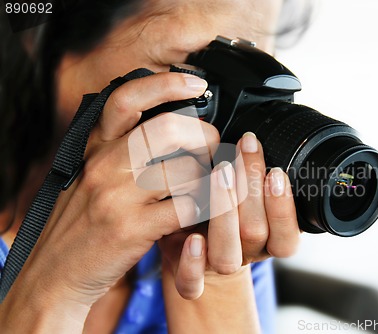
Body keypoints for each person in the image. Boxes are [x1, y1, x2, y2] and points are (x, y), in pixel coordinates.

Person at [0, 0, 313, 333]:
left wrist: (211, 275)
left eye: (254, 70)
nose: (228, 125)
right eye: (194, 73)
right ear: (43, 40)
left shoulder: (228, 233)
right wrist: (53, 289)